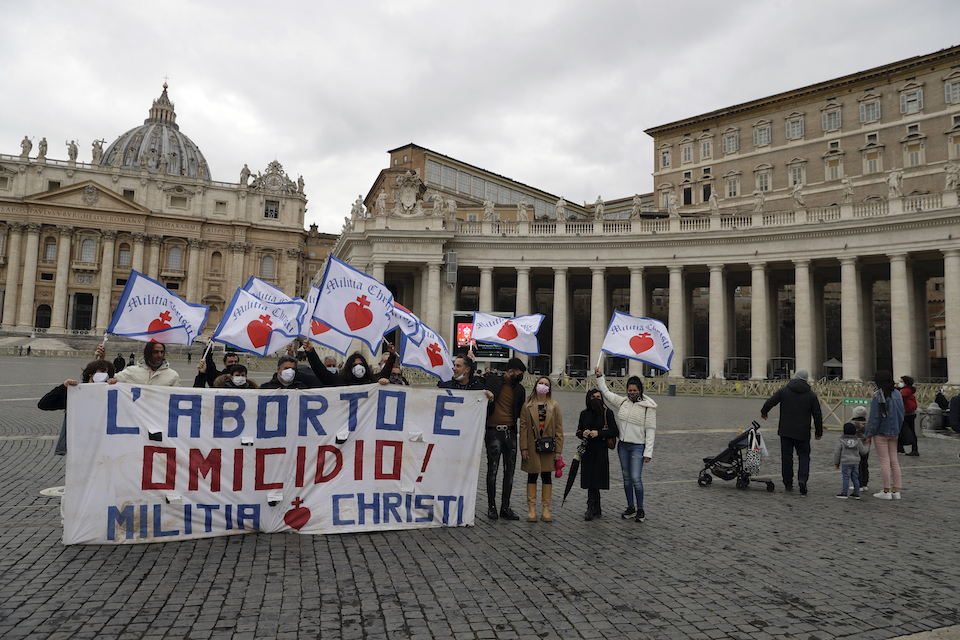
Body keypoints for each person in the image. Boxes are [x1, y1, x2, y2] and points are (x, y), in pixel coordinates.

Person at [595, 368, 657, 522]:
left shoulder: (648, 408)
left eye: (635, 390)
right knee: (626, 478)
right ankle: (630, 506)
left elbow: (650, 431)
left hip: (638, 447)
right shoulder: (623, 402)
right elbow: (606, 393)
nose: (632, 392)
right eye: (629, 390)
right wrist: (599, 376)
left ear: (640, 390)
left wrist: (648, 453)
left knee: (636, 478)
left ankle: (641, 509)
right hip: (623, 446)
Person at [761, 369, 823, 495]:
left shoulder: (784, 391)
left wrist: (764, 411)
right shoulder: (811, 395)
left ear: (794, 377)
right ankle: (802, 479)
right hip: (803, 431)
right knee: (804, 456)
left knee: (787, 457)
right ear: (806, 380)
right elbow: (817, 415)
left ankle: (788, 483)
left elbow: (770, 401)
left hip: (786, 430)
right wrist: (818, 431)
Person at [39, 359, 115, 456]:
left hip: (101, 445)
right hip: (79, 446)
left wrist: (116, 387)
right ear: (91, 374)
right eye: (103, 371)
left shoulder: (111, 394)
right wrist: (63, 387)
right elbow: (44, 404)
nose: (106, 375)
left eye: (108, 373)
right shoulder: (75, 393)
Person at [482, 358, 527, 520]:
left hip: (511, 432)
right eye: (519, 374)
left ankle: (505, 507)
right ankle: (491, 507)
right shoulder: (492, 381)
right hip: (493, 432)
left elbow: (522, 412)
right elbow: (475, 383)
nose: (520, 377)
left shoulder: (520, 390)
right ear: (511, 371)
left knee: (510, 472)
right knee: (492, 470)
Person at [518, 376, 563, 522]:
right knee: (532, 475)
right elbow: (523, 428)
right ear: (536, 385)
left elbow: (559, 429)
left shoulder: (554, 405)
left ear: (549, 388)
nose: (543, 386)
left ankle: (545, 508)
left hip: (548, 446)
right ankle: (531, 508)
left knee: (546, 476)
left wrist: (558, 450)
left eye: (546, 384)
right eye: (541, 383)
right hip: (531, 446)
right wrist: (523, 448)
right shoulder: (527, 405)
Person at [576, 388, 619, 521]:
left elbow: (614, 431)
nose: (596, 399)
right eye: (593, 396)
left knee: (596, 478)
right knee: (589, 478)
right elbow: (578, 430)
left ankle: (591, 506)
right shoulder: (584, 414)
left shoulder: (607, 413)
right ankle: (595, 506)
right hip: (588, 449)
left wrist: (598, 433)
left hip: (600, 449)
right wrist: (582, 433)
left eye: (598, 396)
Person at [864, 370, 905, 500]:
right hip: (895, 432)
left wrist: (868, 434)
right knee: (894, 461)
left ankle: (886, 491)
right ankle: (896, 490)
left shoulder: (878, 395)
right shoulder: (898, 393)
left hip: (881, 432)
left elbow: (875, 417)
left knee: (884, 461)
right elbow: (902, 413)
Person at [302, 338, 395, 386]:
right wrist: (311, 352)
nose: (359, 367)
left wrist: (392, 357)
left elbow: (384, 374)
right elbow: (321, 372)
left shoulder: (371, 382)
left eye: (361, 364)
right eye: (355, 365)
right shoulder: (340, 381)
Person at [99, 342, 180, 386]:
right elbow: (105, 378)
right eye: (156, 352)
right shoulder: (131, 371)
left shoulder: (173, 375)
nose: (160, 355)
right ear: (147, 353)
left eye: (162, 352)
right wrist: (101, 359)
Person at [835, 421, 869, 499]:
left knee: (846, 477)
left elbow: (837, 452)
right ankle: (856, 493)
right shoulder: (858, 441)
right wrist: (867, 445)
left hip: (846, 461)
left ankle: (844, 493)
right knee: (855, 477)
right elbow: (863, 451)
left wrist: (837, 462)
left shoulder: (841, 441)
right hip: (856, 462)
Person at [896, 375, 919, 456]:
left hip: (908, 414)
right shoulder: (903, 389)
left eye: (901, 381)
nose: (899, 383)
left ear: (906, 383)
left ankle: (914, 449)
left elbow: (899, 396)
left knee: (910, 431)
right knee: (901, 430)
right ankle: (900, 447)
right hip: (905, 413)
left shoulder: (907, 390)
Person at [851, 405, 871, 492]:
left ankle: (858, 484)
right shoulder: (868, 424)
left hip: (855, 448)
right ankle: (864, 484)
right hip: (866, 447)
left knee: (856, 466)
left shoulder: (853, 424)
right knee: (864, 464)